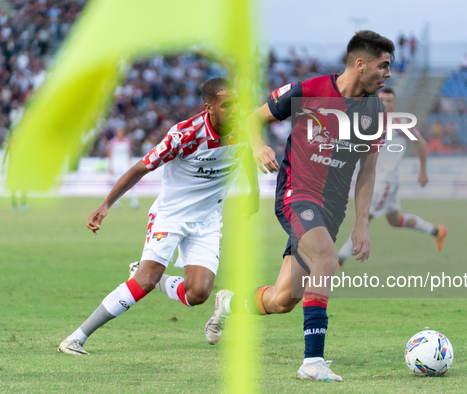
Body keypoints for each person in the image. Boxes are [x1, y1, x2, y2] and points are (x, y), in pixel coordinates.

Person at [205, 30, 395, 382]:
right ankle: (313, 361)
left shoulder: (374, 113)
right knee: (326, 258)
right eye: (383, 66)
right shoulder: (307, 91)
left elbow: (367, 172)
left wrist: (362, 223)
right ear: (360, 63)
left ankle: (229, 304)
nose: (387, 74)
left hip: (332, 211)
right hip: (298, 194)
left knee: (282, 299)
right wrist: (260, 147)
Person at [58, 78, 259, 355]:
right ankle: (75, 338)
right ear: (209, 108)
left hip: (208, 221)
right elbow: (140, 168)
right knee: (143, 282)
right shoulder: (184, 135)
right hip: (171, 216)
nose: (235, 109)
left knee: (198, 294)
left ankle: (157, 278)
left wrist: (254, 192)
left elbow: (247, 152)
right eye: (227, 105)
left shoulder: (246, 124)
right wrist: (105, 205)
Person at [337, 88, 448, 267]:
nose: (385, 104)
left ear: (394, 104)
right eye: (382, 100)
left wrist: (423, 171)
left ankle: (339, 257)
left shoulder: (399, 121)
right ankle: (437, 231)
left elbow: (421, 143)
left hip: (385, 180)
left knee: (364, 217)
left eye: (389, 101)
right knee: (395, 220)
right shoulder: (370, 122)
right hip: (378, 178)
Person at [106, 126, 139, 209]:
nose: (120, 133)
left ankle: (134, 201)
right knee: (115, 183)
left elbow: (129, 153)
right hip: (116, 165)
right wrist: (110, 165)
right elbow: (109, 154)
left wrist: (130, 164)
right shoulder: (112, 142)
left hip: (125, 164)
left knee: (130, 182)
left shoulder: (127, 141)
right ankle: (116, 202)